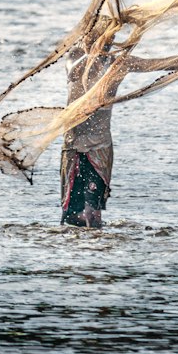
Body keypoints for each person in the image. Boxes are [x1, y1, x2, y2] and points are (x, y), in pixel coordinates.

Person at [60, 42, 114, 228]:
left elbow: (158, 65)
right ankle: (71, 253)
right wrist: (93, 55)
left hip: (100, 145)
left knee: (93, 213)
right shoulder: (75, 56)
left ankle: (95, 253)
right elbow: (75, 73)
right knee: (71, 215)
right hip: (73, 143)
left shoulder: (117, 62)